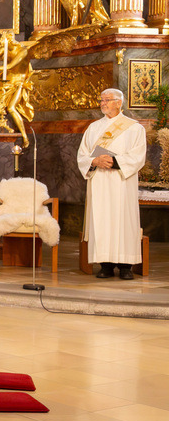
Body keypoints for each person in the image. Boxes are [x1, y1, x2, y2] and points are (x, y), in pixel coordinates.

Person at [76, 88, 146, 280]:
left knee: (124, 220)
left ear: (119, 102)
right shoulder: (93, 127)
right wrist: (94, 162)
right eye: (101, 100)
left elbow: (138, 155)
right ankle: (105, 265)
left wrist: (115, 162)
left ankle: (126, 266)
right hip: (99, 181)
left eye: (107, 100)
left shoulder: (134, 128)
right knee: (102, 220)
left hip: (122, 182)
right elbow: (82, 154)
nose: (103, 103)